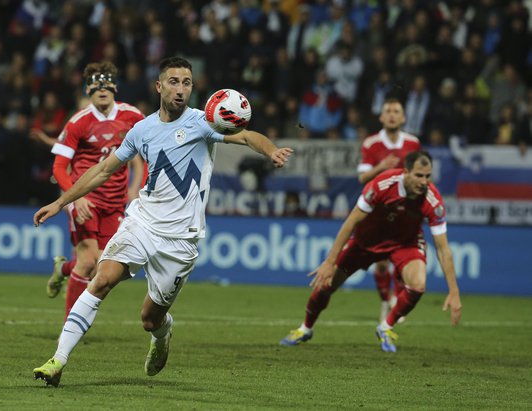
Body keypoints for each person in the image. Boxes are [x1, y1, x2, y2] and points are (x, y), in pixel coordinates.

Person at [31, 56, 293, 386]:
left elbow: (246, 136)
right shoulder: (141, 130)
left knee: (149, 318)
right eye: (173, 81)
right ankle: (59, 360)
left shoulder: (204, 123)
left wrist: (270, 151)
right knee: (102, 278)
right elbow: (102, 170)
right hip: (143, 221)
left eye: (186, 83)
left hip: (181, 239)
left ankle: (162, 334)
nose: (180, 89)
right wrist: (60, 202)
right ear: (159, 86)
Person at [280, 151, 462, 352]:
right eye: (419, 175)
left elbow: (443, 249)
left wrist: (453, 291)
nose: (424, 182)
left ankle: (386, 327)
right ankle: (305, 328)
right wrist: (329, 262)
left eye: (428, 176)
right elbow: (351, 222)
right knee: (326, 285)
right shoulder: (382, 185)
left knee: (418, 285)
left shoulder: (432, 200)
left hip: (404, 244)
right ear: (406, 172)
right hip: (365, 242)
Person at [34, 61, 145, 319]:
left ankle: (63, 269)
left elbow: (146, 156)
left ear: (115, 87)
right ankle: (69, 327)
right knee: (87, 262)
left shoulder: (133, 117)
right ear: (88, 91)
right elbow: (60, 168)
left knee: (104, 268)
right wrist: (76, 197)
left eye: (107, 85)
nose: (102, 90)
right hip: (86, 199)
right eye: (96, 86)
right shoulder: (78, 122)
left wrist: (136, 188)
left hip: (116, 202)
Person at [357, 97, 420, 323]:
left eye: (396, 111)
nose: (392, 115)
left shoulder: (413, 144)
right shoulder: (371, 144)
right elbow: (362, 177)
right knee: (381, 261)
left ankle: (395, 298)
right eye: (388, 111)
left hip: (405, 209)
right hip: (378, 210)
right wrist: (382, 167)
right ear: (382, 117)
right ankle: (386, 301)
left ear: (403, 117)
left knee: (401, 257)